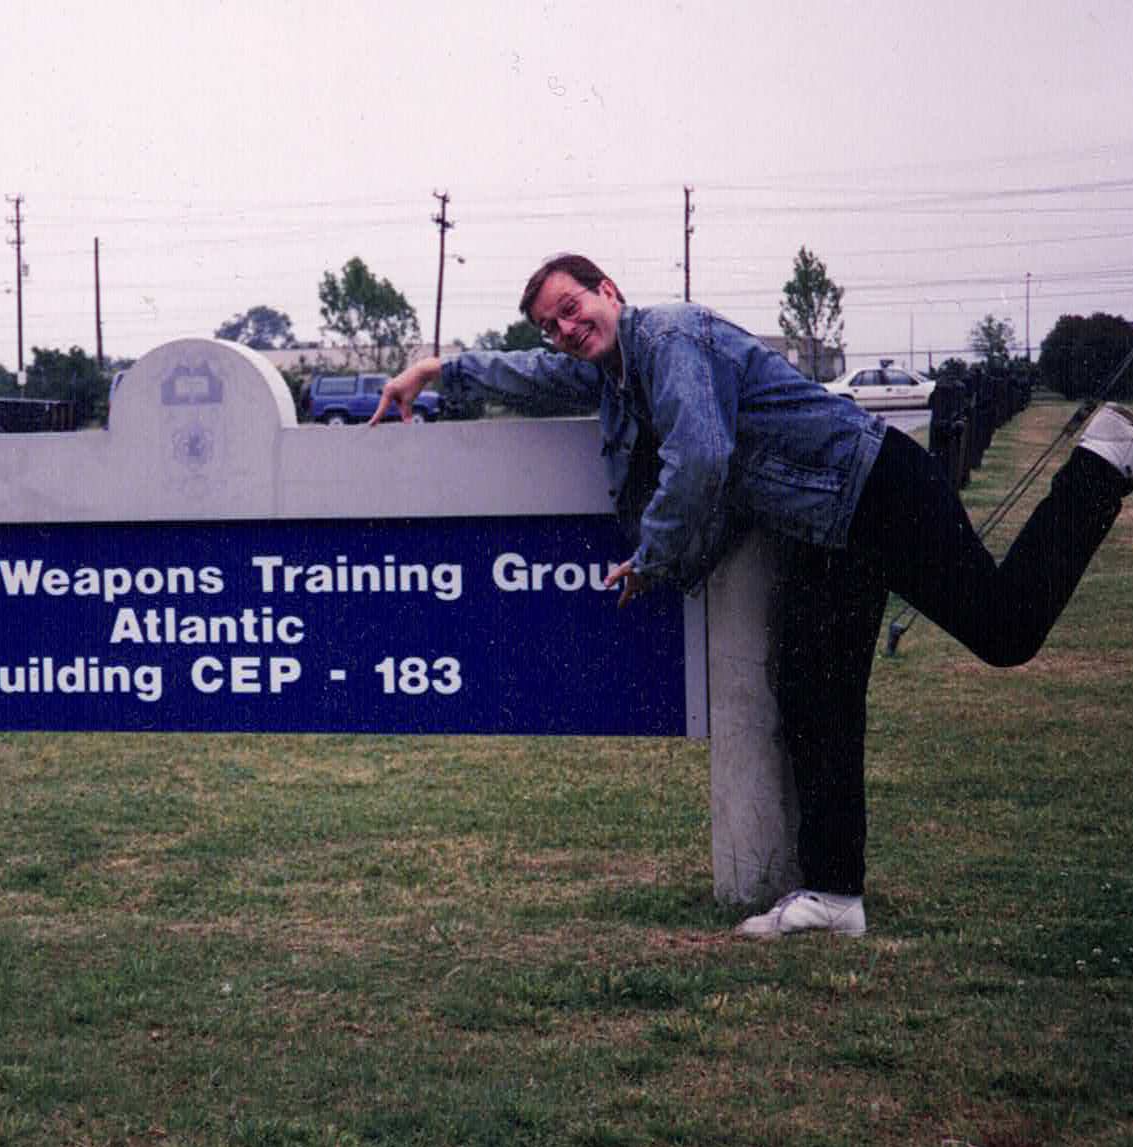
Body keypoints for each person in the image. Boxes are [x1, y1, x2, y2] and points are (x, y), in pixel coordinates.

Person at [370, 252, 1133, 938]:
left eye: (572, 307)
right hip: (821, 527)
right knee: (809, 693)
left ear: (610, 291)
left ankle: (1101, 463)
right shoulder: (616, 368)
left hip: (873, 488)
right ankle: (834, 895)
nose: (565, 328)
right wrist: (436, 372)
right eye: (550, 324)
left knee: (1005, 632)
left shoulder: (667, 341)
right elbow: (533, 377)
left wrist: (651, 555)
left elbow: (701, 455)